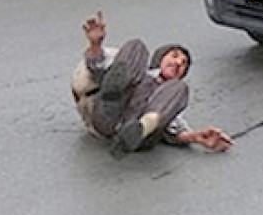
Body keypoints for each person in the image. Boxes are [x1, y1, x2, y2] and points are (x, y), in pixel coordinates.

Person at [71, 11, 233, 157]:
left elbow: (176, 128)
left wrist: (197, 137)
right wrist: (95, 45)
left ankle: (141, 127)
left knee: (179, 89)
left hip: (141, 135)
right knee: (136, 47)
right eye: (174, 56)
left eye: (183, 64)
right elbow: (97, 68)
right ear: (160, 58)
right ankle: (115, 92)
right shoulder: (139, 71)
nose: (178, 63)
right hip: (109, 114)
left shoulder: (171, 94)